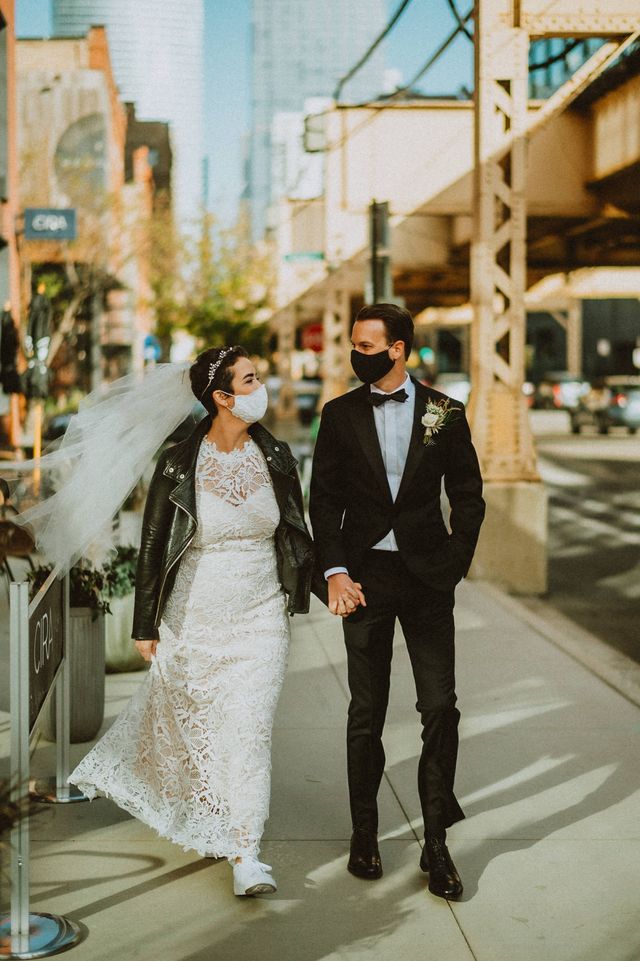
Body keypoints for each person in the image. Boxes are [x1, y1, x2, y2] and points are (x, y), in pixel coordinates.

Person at [69, 346, 316, 897]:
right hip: (195, 613)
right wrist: (145, 623)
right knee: (203, 727)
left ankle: (246, 852)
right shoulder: (180, 461)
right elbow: (154, 544)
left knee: (248, 729)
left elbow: (298, 536)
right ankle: (210, 811)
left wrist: (331, 584)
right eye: (251, 380)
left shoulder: (276, 454)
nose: (263, 387)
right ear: (222, 397)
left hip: (261, 617)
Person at [309, 304, 485, 900]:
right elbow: (323, 502)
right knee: (368, 711)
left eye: (369, 345)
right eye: (354, 344)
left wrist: (456, 560)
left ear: (400, 349)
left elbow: (468, 493)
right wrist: (333, 571)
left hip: (429, 577)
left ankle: (437, 843)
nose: (358, 354)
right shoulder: (338, 415)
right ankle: (366, 834)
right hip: (363, 579)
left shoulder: (445, 412)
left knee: (440, 707)